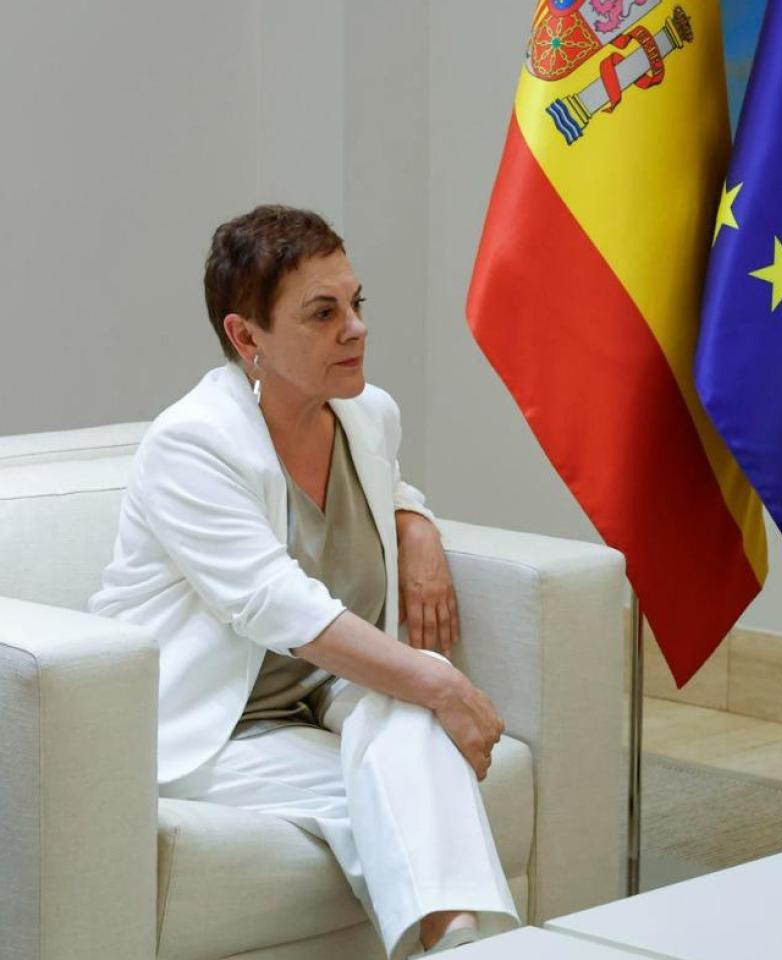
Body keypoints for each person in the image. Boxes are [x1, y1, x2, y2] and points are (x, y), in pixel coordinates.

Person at [90, 206, 517, 956]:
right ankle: (463, 941)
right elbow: (276, 603)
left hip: (321, 699)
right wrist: (441, 685)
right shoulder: (192, 443)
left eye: (356, 303)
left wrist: (417, 527)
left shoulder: (367, 414)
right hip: (213, 724)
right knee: (407, 785)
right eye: (323, 313)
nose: (356, 329)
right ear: (246, 337)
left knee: (408, 735)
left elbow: (384, 492)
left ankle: (457, 944)